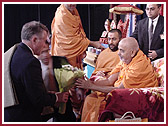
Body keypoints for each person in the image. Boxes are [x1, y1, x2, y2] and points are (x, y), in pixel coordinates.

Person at [76, 37, 158, 122]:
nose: (118, 53)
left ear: (132, 53)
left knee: (96, 102)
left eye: (122, 50)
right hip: (121, 91)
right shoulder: (127, 58)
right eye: (119, 50)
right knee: (90, 98)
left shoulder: (138, 65)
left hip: (139, 99)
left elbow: (119, 90)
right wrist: (89, 83)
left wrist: (91, 86)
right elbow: (110, 81)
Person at [4, 21, 69, 122]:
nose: (45, 45)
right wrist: (56, 97)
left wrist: (45, 93)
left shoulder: (14, 52)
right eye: (44, 41)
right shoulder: (30, 62)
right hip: (22, 117)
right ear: (34, 39)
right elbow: (38, 99)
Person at [79, 29, 122, 122]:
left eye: (114, 39)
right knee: (89, 99)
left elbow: (122, 72)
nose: (111, 42)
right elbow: (97, 69)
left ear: (120, 39)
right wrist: (98, 73)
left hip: (112, 84)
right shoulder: (103, 53)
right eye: (109, 39)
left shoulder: (122, 53)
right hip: (100, 83)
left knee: (97, 102)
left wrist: (107, 75)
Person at [51, 4, 105, 69]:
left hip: (74, 55)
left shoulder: (73, 10)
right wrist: (92, 43)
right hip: (65, 54)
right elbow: (70, 41)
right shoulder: (62, 16)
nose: (73, 4)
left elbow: (78, 32)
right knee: (69, 76)